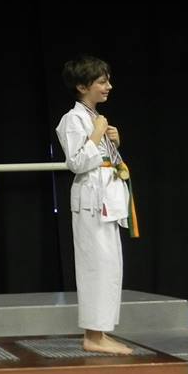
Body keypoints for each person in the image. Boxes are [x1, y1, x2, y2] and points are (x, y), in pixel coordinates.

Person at [55, 55, 135, 355]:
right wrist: (98, 133)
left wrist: (114, 141)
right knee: (95, 267)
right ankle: (92, 336)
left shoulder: (94, 118)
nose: (108, 86)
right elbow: (76, 162)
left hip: (106, 199)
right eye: (102, 81)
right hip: (90, 201)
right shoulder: (72, 119)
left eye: (107, 80)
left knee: (110, 267)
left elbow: (103, 160)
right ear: (82, 86)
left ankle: (101, 332)